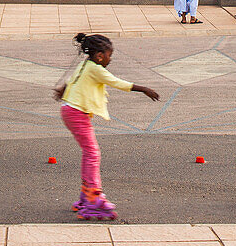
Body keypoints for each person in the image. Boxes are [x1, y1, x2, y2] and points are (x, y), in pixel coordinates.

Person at [53, 32, 159, 220]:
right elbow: (116, 82)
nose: (110, 59)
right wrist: (144, 89)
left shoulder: (86, 63)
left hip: (70, 110)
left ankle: (87, 196)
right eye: (109, 55)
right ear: (100, 55)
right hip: (76, 113)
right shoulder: (96, 68)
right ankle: (94, 198)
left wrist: (65, 89)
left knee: (89, 153)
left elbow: (75, 79)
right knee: (93, 153)